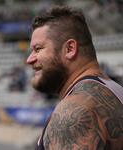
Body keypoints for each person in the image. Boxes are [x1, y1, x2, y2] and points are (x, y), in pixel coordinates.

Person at [26, 5, 123, 150]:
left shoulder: (74, 112)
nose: (29, 59)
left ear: (70, 49)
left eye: (38, 49)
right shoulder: (116, 90)